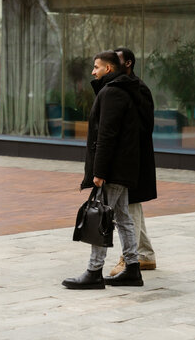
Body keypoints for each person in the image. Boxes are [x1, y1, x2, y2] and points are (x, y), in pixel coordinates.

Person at [62, 50, 143, 289]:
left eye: (96, 67)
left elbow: (107, 135)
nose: (92, 71)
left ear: (108, 69)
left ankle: (94, 271)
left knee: (100, 216)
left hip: (113, 168)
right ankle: (133, 268)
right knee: (122, 217)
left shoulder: (112, 93)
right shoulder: (125, 90)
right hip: (122, 166)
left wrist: (99, 172)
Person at [107, 47, 158, 276]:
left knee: (129, 208)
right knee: (132, 206)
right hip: (127, 159)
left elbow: (142, 127)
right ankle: (145, 255)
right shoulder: (119, 88)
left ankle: (129, 260)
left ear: (128, 63)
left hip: (134, 160)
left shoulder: (138, 89)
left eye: (116, 61)